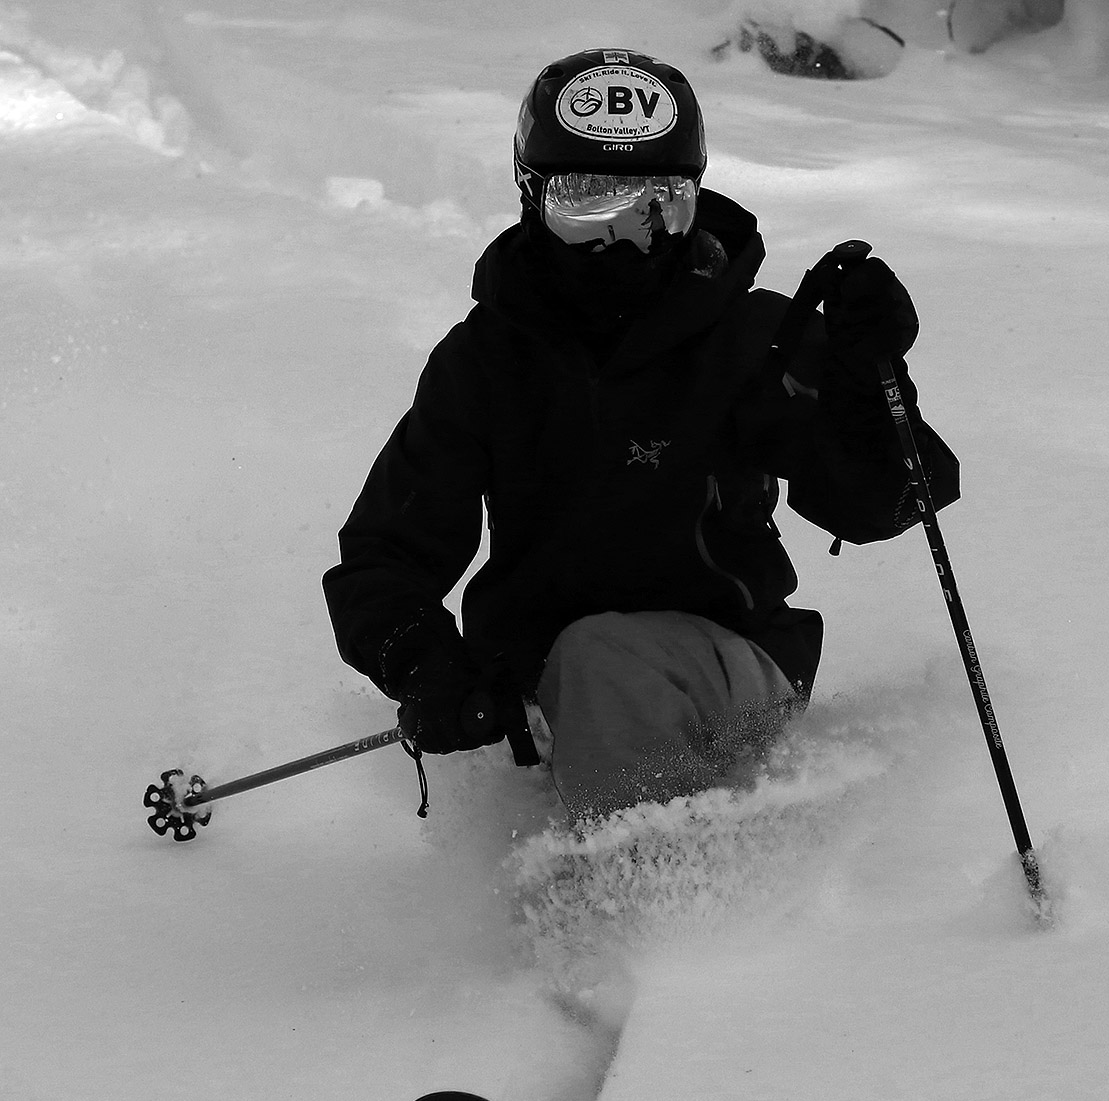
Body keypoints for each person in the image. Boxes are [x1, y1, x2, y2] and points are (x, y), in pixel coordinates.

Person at [322, 47, 959, 824]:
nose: (625, 241)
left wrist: (868, 383)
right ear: (531, 197)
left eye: (660, 206)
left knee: (601, 660)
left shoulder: (749, 339)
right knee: (587, 668)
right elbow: (383, 556)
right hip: (548, 690)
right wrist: (427, 664)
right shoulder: (488, 362)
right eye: (587, 204)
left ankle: (644, 890)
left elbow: (886, 501)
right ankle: (593, 845)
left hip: (730, 670)